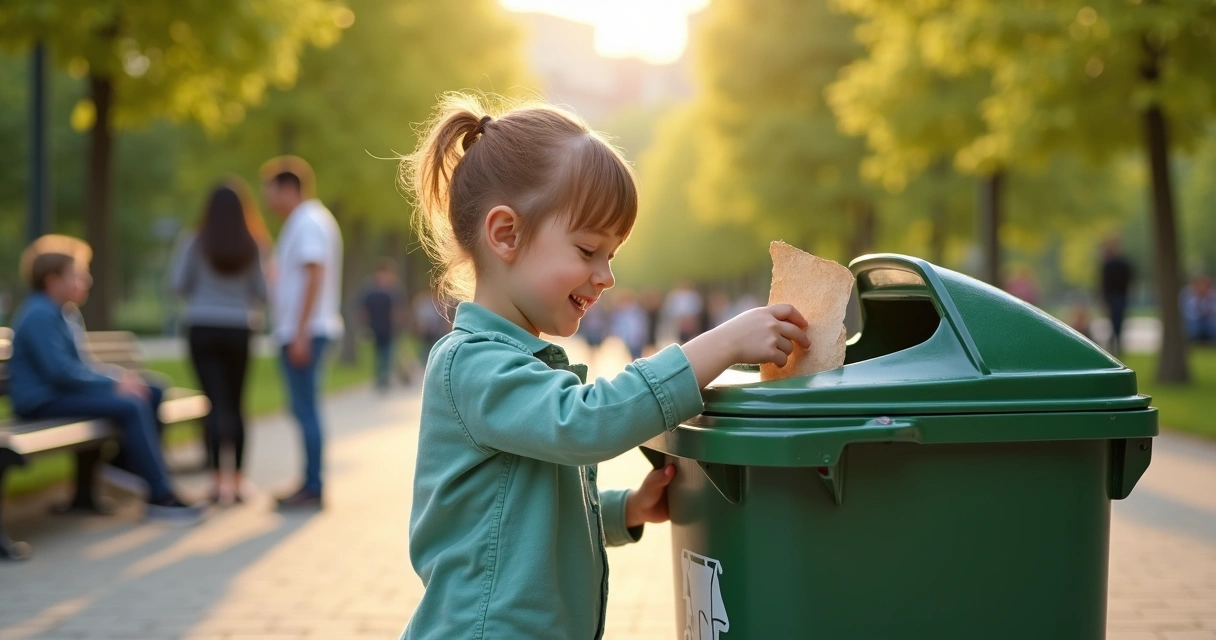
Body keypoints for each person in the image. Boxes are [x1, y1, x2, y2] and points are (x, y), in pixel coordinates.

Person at [398, 94, 809, 639]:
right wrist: (723, 345)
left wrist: (623, 510)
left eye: (611, 256)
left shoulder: (521, 362)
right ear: (505, 235)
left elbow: (529, 506)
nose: (606, 276)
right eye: (588, 249)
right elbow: (585, 424)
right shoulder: (471, 363)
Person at [8, 237, 204, 521]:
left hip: (61, 394)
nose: (86, 280)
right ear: (52, 281)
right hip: (41, 401)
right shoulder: (39, 313)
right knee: (131, 405)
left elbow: (80, 367)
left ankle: (124, 464)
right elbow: (60, 372)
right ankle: (160, 493)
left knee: (153, 389)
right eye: (77, 275)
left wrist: (120, 377)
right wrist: (115, 382)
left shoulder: (66, 313)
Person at [169, 180, 270, 505]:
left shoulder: (194, 241)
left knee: (213, 404)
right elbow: (263, 292)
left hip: (201, 327)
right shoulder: (253, 244)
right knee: (237, 404)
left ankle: (216, 484)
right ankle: (238, 483)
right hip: (239, 328)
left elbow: (177, 284)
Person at [261, 156, 344, 509]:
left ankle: (313, 485)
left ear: (288, 189)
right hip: (305, 329)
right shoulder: (306, 221)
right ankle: (310, 481)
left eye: (271, 190)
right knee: (303, 409)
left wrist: (299, 333)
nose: (267, 199)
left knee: (306, 410)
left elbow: (313, 274)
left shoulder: (307, 221)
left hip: (305, 331)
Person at [361, 258, 404, 393]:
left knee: (387, 353)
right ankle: (379, 378)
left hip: (389, 328)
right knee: (378, 354)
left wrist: (398, 324)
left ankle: (384, 378)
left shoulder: (394, 290)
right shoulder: (370, 290)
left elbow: (397, 310)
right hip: (375, 327)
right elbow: (364, 310)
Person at [1100, 238, 1135, 355]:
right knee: (1114, 320)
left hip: (1120, 296)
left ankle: (1116, 342)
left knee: (1118, 320)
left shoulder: (1122, 264)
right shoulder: (1107, 265)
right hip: (1112, 297)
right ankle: (1115, 342)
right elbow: (1103, 284)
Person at [610, 289, 649, 360]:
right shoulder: (620, 312)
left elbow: (641, 324)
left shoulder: (637, 311)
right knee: (632, 355)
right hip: (627, 338)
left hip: (637, 337)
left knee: (637, 355)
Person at [1181, 274, 1216, 344]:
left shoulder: (1212, 295)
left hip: (1208, 320)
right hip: (1194, 320)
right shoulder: (1188, 295)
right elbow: (1188, 311)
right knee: (1194, 325)